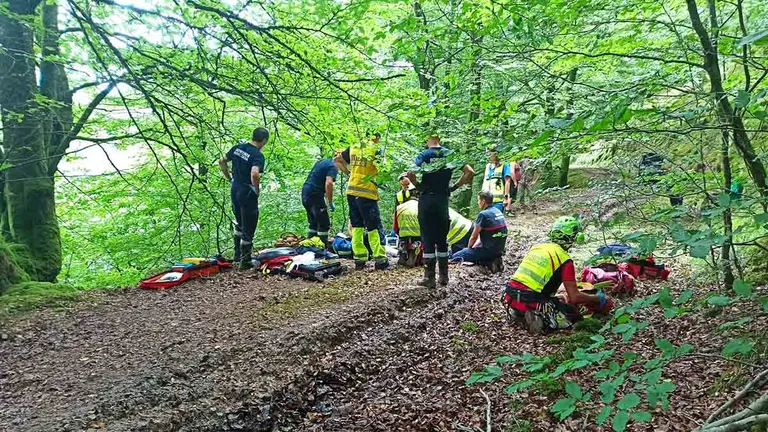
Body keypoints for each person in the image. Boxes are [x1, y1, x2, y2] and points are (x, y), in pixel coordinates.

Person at [503, 216, 614, 333]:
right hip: (531, 300)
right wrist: (599, 299)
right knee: (573, 314)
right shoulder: (564, 260)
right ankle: (539, 317)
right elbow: (575, 297)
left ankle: (521, 313)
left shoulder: (537, 247)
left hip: (510, 295)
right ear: (574, 237)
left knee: (555, 301)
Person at [407, 133, 474, 288]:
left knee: (428, 237)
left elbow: (410, 173)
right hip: (442, 200)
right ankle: (444, 276)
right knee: (442, 239)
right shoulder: (449, 154)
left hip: (426, 200)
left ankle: (429, 277)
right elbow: (469, 171)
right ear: (440, 139)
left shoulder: (424, 155)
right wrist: (454, 187)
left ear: (428, 139)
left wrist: (419, 186)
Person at [335, 132, 388, 270]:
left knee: (357, 226)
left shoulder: (354, 146)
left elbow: (337, 160)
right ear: (376, 136)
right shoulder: (375, 149)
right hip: (367, 192)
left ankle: (359, 258)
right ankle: (380, 258)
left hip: (352, 191)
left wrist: (349, 174)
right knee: (373, 226)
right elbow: (383, 169)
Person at [219, 127, 269, 269]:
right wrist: (256, 189)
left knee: (240, 222)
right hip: (247, 191)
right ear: (264, 140)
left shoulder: (237, 148)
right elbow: (255, 173)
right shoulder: (257, 155)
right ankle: (245, 261)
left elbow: (221, 161)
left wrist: (229, 178)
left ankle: (237, 256)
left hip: (235, 189)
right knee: (249, 223)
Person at [392, 194, 473, 266]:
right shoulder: (426, 207)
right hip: (465, 227)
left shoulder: (400, 208)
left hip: (461, 232)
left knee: (455, 258)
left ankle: (405, 253)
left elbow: (395, 226)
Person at [450, 191, 507, 271]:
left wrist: (468, 250)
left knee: (455, 256)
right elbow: (485, 235)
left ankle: (488, 262)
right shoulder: (498, 211)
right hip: (499, 249)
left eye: (478, 200)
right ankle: (494, 259)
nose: (478, 203)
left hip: (488, 251)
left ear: (483, 201)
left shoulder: (483, 215)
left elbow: (474, 236)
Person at [301, 157, 340, 245]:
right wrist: (330, 202)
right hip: (315, 193)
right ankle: (323, 247)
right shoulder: (333, 166)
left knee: (313, 222)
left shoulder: (323, 162)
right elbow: (329, 183)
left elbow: (318, 179)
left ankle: (311, 246)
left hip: (306, 192)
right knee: (324, 223)